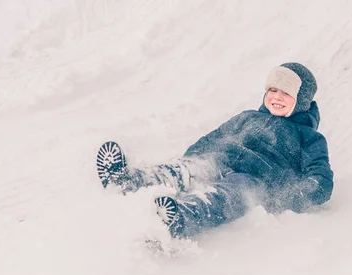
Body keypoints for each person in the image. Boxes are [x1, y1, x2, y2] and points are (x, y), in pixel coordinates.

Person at [96, 62, 334, 238]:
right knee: (189, 169)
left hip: (254, 179)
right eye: (273, 90)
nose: (277, 97)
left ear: (301, 100)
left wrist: (288, 196)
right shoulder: (248, 116)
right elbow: (216, 137)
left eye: (286, 93)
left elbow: (320, 181)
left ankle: (180, 217)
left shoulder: (310, 138)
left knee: (226, 196)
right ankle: (128, 179)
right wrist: (191, 158)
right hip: (220, 159)